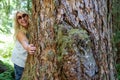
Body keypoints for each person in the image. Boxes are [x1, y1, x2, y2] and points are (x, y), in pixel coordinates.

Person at [11, 10, 36, 80]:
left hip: (27, 61)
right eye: (19, 17)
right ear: (17, 21)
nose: (23, 19)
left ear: (28, 16)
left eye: (24, 15)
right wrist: (28, 47)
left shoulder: (34, 27)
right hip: (19, 61)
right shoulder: (19, 32)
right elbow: (24, 42)